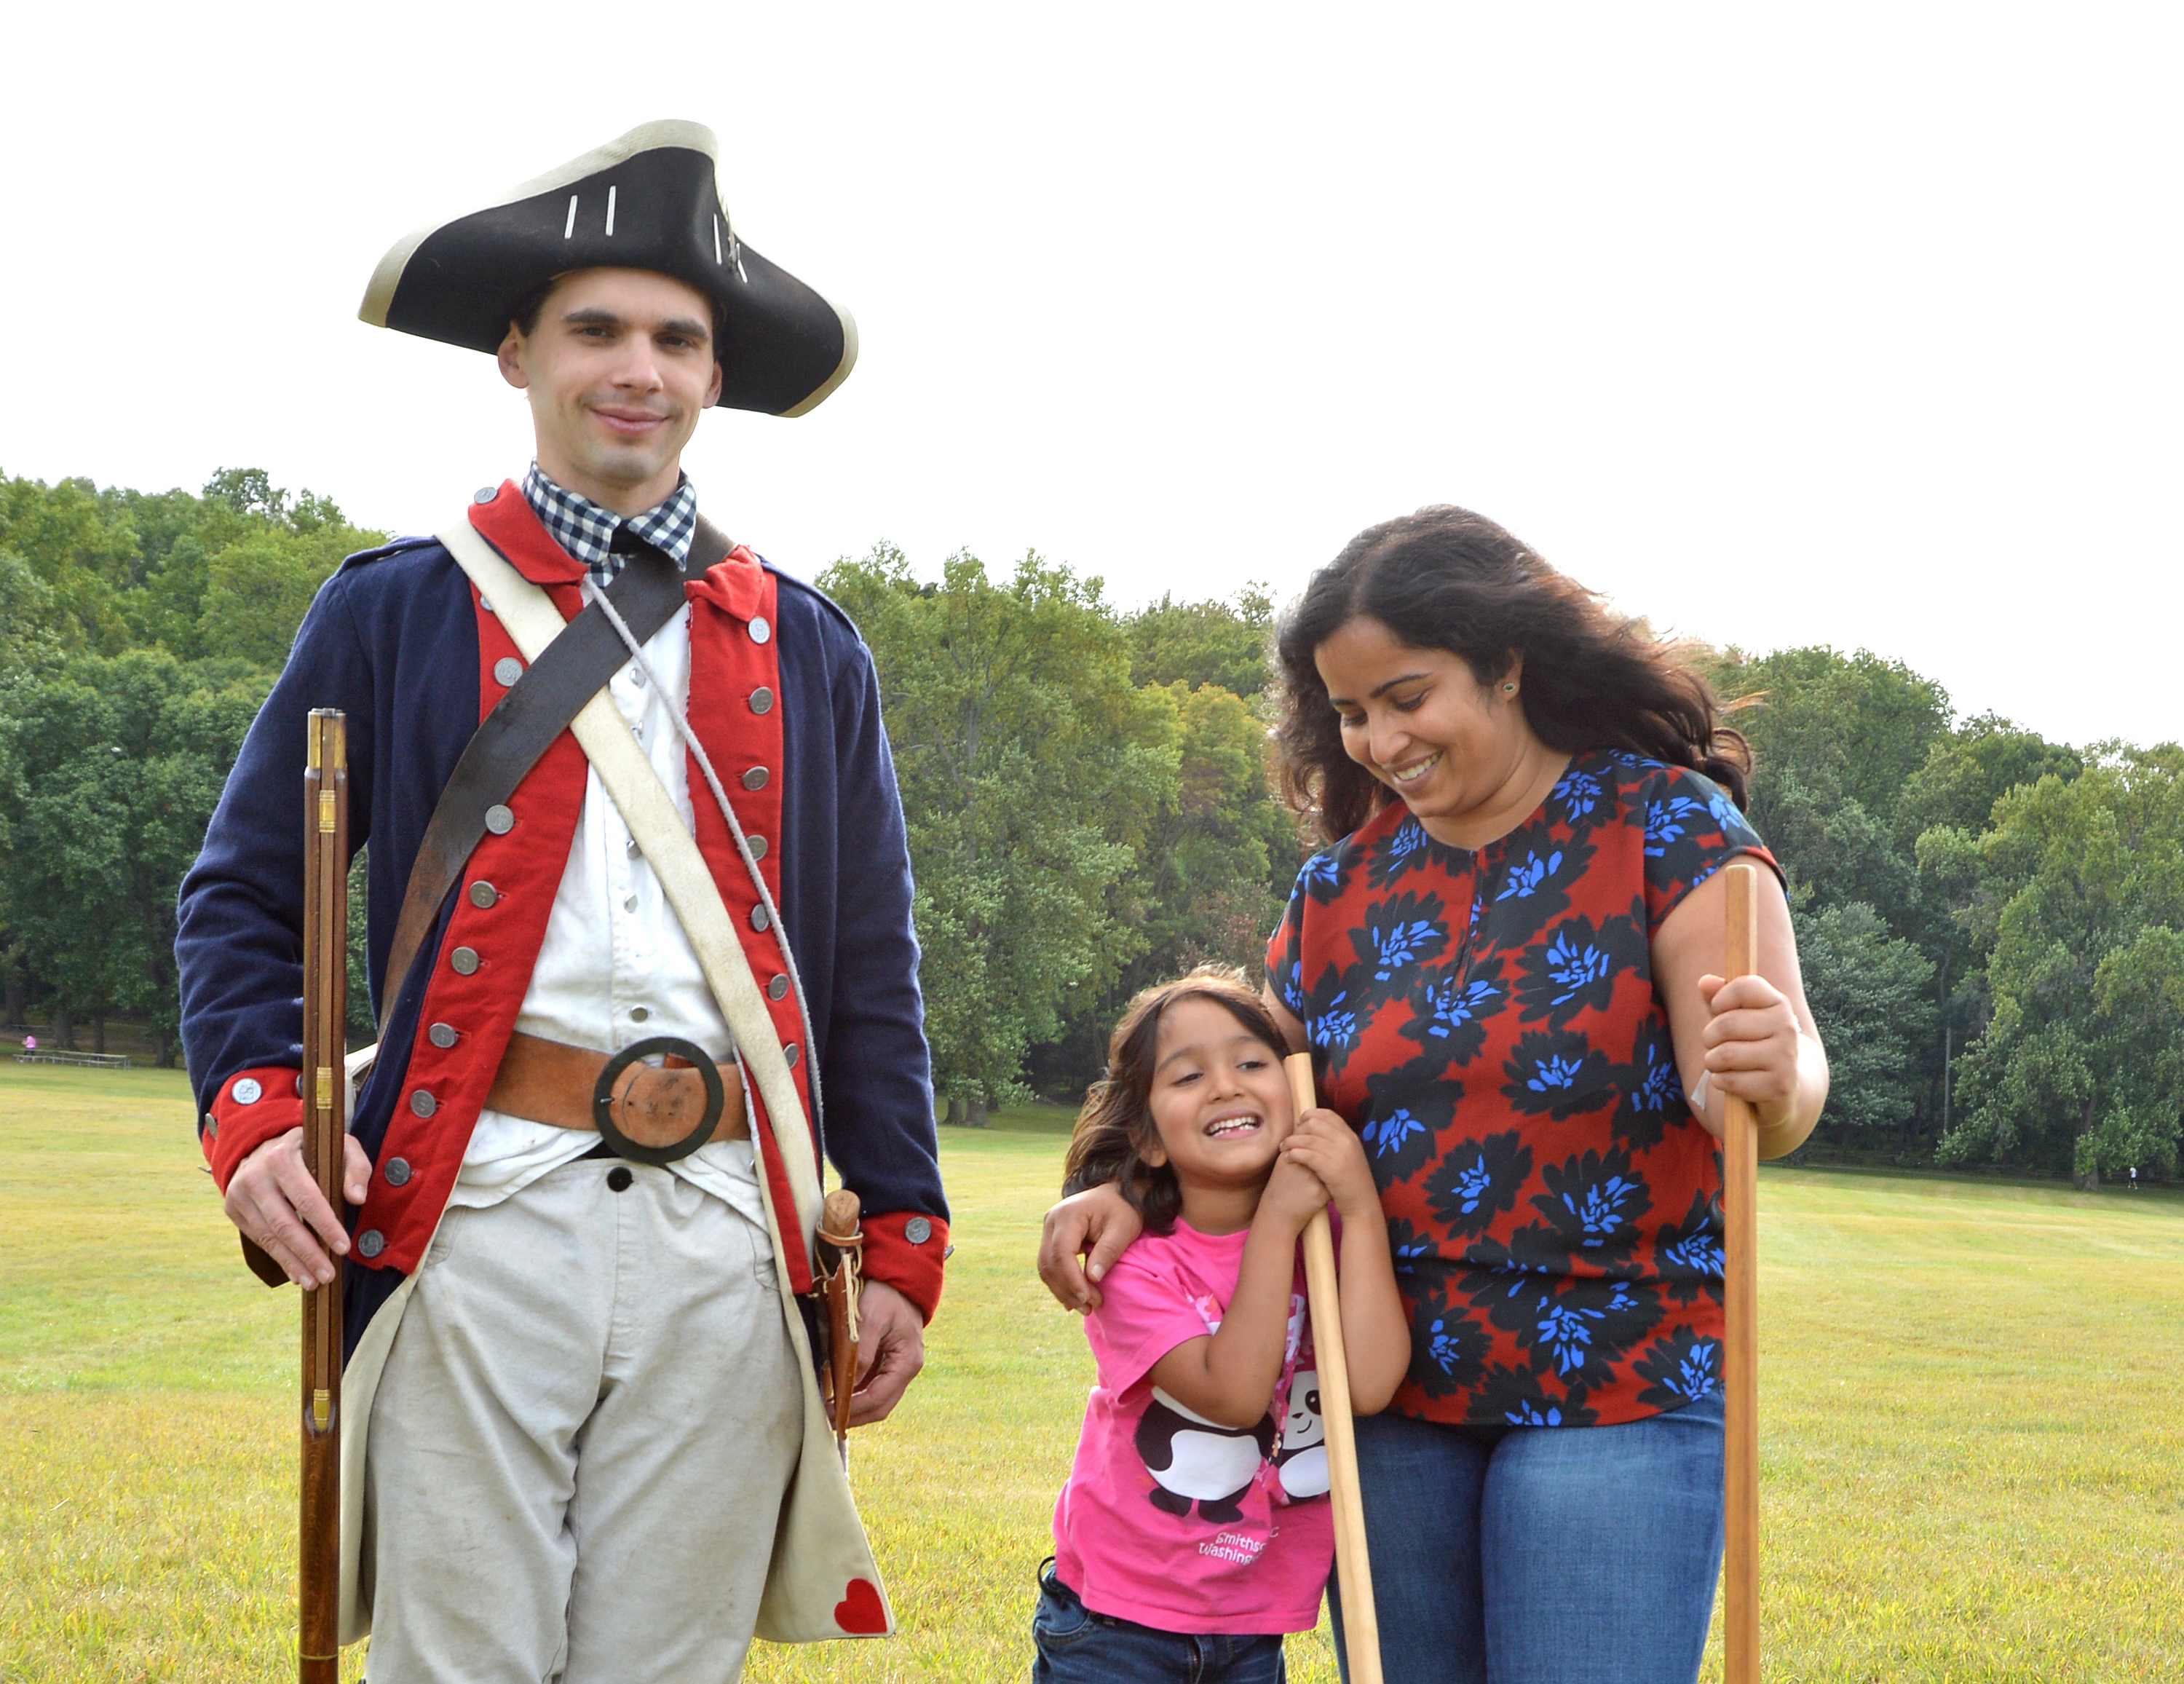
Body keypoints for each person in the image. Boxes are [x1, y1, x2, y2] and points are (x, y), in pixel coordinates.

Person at [176, 121, 947, 1680]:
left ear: (714, 379)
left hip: (729, 1225)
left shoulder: (809, 645)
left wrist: (907, 1228)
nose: (637, 366)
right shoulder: (393, 604)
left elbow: (869, 966)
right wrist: (258, 1115)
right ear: (517, 352)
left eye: (677, 337)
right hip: (476, 1203)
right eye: (596, 327)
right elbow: (247, 892)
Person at [1039, 506, 1829, 1684]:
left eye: (1407, 696)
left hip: (1619, 1376)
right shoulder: (1337, 890)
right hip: (1384, 1384)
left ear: (1506, 664)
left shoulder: (1668, 827)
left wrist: (1772, 1069)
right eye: (1351, 711)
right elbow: (1261, 1112)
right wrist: (1118, 1185)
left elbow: (1766, 1085)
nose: (1377, 738)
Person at [1036, 968, 1408, 1684]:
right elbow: (1233, 1394)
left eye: (1250, 1062)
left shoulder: (1326, 1239)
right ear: (1147, 1138)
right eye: (1187, 1077)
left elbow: (1370, 1383)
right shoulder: (1130, 1259)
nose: (1227, 1087)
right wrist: (1277, 1222)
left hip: (1251, 1624)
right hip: (1118, 1622)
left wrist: (1359, 1208)